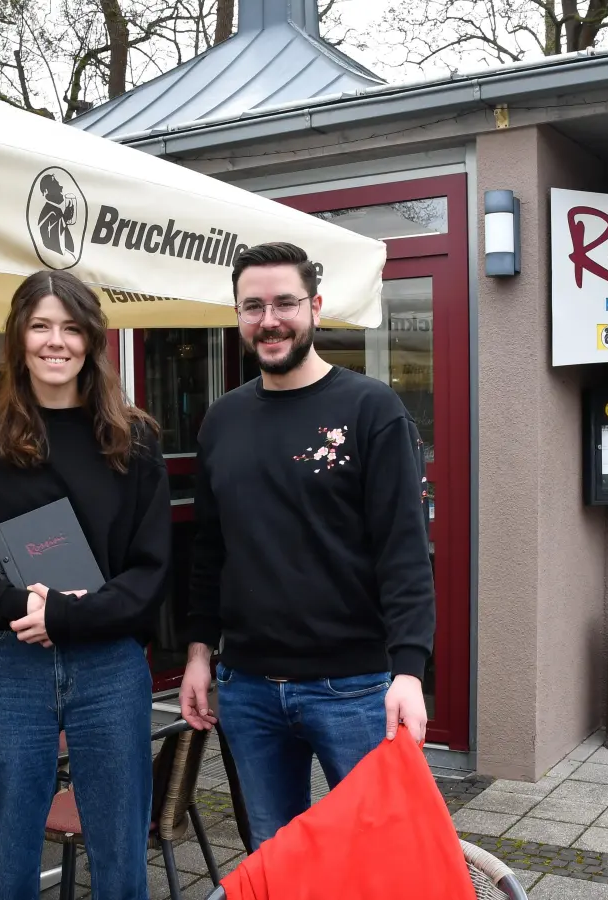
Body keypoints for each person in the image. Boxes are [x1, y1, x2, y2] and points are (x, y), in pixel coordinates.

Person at [179, 241, 436, 850]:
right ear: (238, 315)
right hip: (247, 688)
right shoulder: (222, 420)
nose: (269, 320)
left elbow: (403, 551)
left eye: (285, 303)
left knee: (375, 857)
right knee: (274, 858)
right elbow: (209, 550)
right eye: (253, 306)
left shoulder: (371, 409)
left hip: (354, 688)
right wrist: (197, 653)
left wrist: (409, 670)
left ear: (315, 308)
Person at [0, 270, 170, 899]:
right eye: (40, 326)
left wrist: (67, 617)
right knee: (6, 858)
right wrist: (24, 607)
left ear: (91, 340)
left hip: (110, 666)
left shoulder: (135, 439)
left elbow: (150, 570)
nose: (55, 341)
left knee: (121, 856)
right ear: (18, 337)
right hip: (11, 666)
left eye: (70, 328)